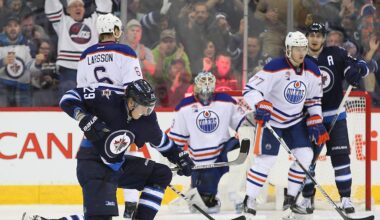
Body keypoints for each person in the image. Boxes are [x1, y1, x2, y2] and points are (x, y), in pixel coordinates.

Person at [23, 79, 194, 220]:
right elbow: (68, 97)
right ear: (132, 102)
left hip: (117, 166)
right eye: (145, 107)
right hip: (92, 165)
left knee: (161, 173)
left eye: (151, 107)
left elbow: (162, 142)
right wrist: (83, 117)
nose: (148, 111)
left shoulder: (146, 119)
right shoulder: (106, 99)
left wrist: (179, 156)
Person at [242, 31, 330, 218]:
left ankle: (290, 199)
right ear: (288, 49)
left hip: (294, 121)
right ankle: (249, 199)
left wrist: (316, 120)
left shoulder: (312, 70)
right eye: (297, 48)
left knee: (305, 155)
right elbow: (249, 90)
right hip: (271, 121)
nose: (301, 52)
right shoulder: (274, 67)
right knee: (266, 160)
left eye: (303, 48)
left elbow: (314, 99)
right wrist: (260, 104)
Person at [291, 22, 369, 216]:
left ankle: (345, 199)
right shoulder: (299, 57)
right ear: (306, 37)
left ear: (324, 37)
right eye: (312, 35)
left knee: (341, 158)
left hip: (336, 115)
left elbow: (355, 67)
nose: (315, 39)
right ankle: (307, 199)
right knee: (308, 160)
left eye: (318, 35)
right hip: (309, 118)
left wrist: (356, 73)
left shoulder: (337, 53)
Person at [167, 71, 247, 214]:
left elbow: (243, 124)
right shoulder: (184, 107)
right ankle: (198, 193)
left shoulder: (225, 100)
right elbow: (177, 140)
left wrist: (252, 119)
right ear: (195, 86)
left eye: (208, 84)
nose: (205, 88)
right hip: (200, 163)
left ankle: (238, 198)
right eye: (202, 83)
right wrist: (176, 161)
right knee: (206, 205)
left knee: (238, 148)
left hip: (223, 153)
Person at [45, 0, 112, 97]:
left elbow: (105, 5)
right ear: (68, 10)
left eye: (81, 5)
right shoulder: (62, 22)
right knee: (69, 99)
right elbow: (52, 4)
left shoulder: (94, 22)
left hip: (89, 69)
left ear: (84, 9)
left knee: (90, 101)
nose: (78, 8)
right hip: (68, 69)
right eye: (74, 6)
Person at [76, 13, 143, 93]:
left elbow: (81, 88)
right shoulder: (126, 51)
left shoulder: (86, 54)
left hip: (92, 103)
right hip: (117, 102)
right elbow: (134, 86)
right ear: (116, 31)